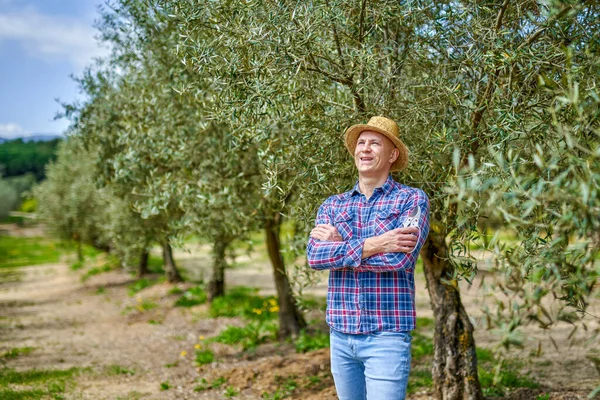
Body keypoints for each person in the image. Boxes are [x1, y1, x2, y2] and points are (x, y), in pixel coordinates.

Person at [306, 116, 430, 400]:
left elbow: (401, 260)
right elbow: (314, 256)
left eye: (374, 143)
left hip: (386, 336)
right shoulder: (333, 204)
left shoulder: (411, 201)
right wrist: (377, 243)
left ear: (392, 154)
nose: (365, 149)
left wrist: (341, 249)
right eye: (361, 143)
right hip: (341, 334)